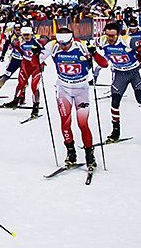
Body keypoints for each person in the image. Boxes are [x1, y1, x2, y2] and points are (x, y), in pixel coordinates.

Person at [43, 27, 103, 169]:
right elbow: (35, 61)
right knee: (65, 122)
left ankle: (89, 155)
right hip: (63, 89)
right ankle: (71, 153)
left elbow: (104, 64)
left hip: (81, 90)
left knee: (83, 124)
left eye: (66, 44)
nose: (63, 47)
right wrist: (35, 53)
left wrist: (94, 53)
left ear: (72, 40)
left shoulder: (82, 46)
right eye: (61, 44)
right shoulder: (53, 46)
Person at [97, 20, 141, 142]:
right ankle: (116, 131)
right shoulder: (102, 40)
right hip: (119, 73)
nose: (110, 38)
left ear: (118, 34)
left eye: (113, 36)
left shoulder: (127, 40)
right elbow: (88, 48)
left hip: (135, 72)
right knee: (115, 102)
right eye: (108, 35)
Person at [0, 26, 43, 118]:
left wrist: (39, 52)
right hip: (21, 62)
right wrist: (3, 54)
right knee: (20, 82)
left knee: (34, 87)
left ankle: (34, 106)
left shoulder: (36, 41)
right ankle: (14, 99)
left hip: (35, 66)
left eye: (28, 35)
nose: (26, 37)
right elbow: (9, 45)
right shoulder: (16, 39)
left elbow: (45, 48)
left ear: (31, 34)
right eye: (24, 35)